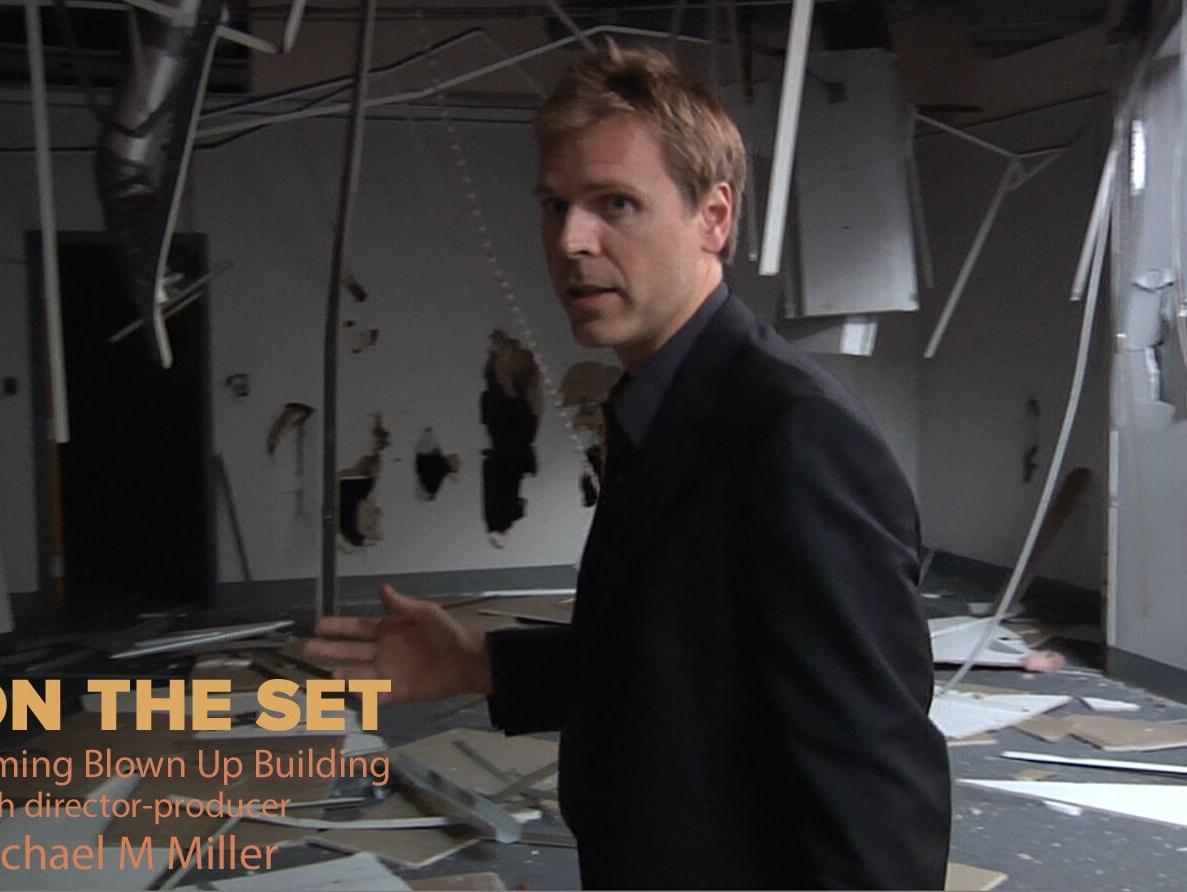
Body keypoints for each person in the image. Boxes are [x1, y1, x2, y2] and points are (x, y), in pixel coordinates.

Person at [304, 42, 951, 890]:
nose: (571, 242)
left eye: (615, 203)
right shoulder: (665, 401)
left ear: (713, 217)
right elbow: (675, 662)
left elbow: (875, 776)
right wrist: (477, 662)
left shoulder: (793, 431)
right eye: (555, 206)